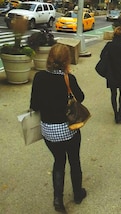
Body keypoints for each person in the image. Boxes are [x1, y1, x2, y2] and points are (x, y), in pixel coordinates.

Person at [30, 44, 87, 212]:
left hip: (49, 132)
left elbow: (34, 106)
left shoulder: (39, 77)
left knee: (59, 161)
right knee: (74, 160)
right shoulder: (68, 78)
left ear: (49, 59)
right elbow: (81, 98)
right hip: (68, 131)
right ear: (66, 61)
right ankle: (78, 194)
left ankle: (58, 201)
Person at [101, 26, 121, 123]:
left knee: (113, 94)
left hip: (111, 72)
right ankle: (120, 112)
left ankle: (115, 114)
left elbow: (101, 56)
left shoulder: (109, 45)